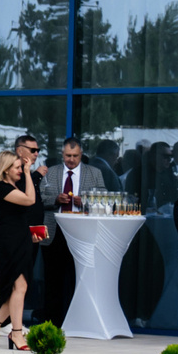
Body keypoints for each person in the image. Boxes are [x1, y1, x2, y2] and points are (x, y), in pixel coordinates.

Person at [37, 137, 106, 325]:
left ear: (81, 155)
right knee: (52, 279)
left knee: (79, 279)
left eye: (75, 156)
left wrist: (83, 202)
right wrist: (55, 200)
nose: (71, 159)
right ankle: (52, 322)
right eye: (68, 155)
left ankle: (78, 321)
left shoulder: (94, 173)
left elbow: (103, 201)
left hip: (81, 232)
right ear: (62, 154)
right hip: (53, 232)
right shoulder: (51, 173)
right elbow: (37, 198)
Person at [0, 150, 39, 345]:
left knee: (16, 288)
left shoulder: (12, 185)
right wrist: (30, 173)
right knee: (19, 286)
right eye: (17, 167)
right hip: (10, 241)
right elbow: (30, 200)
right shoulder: (2, 188)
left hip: (19, 238)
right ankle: (16, 332)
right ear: (6, 170)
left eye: (21, 167)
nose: (21, 170)